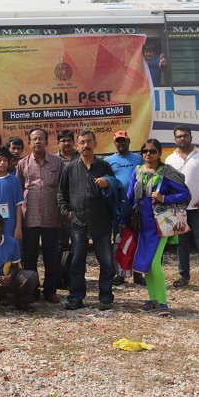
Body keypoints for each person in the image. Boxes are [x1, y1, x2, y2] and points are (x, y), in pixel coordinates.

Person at [123, 138, 190, 317]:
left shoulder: (167, 172)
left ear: (160, 153)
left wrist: (164, 198)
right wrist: (123, 220)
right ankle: (152, 300)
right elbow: (130, 197)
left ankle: (162, 303)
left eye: (152, 151)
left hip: (160, 225)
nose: (148, 154)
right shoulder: (138, 171)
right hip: (140, 224)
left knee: (154, 263)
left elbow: (185, 194)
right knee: (146, 263)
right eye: (145, 151)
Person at [57, 129, 116, 311]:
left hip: (101, 222)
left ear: (95, 144)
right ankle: (76, 297)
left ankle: (105, 297)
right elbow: (61, 193)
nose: (86, 145)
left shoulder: (104, 167)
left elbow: (115, 191)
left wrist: (109, 182)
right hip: (78, 223)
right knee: (77, 262)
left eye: (89, 142)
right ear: (77, 145)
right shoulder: (70, 168)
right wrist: (66, 211)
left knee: (106, 262)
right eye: (82, 142)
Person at [15, 128, 66, 302]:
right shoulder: (22, 164)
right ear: (29, 142)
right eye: (34, 139)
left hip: (52, 216)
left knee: (51, 256)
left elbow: (63, 188)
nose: (37, 142)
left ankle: (50, 290)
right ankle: (32, 290)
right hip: (29, 217)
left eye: (40, 139)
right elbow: (18, 191)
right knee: (30, 256)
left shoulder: (58, 162)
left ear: (47, 141)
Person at [165, 125, 199, 291]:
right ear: (175, 139)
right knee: (182, 244)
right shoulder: (170, 160)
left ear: (191, 137)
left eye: (185, 135)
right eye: (179, 136)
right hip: (179, 210)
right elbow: (167, 185)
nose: (182, 138)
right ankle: (184, 276)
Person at [104, 131, 145, 287]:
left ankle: (137, 273)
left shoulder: (138, 159)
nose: (121, 143)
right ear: (115, 143)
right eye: (118, 141)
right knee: (118, 240)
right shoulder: (109, 161)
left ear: (129, 141)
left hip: (136, 206)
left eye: (124, 141)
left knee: (136, 240)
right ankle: (119, 274)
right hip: (118, 207)